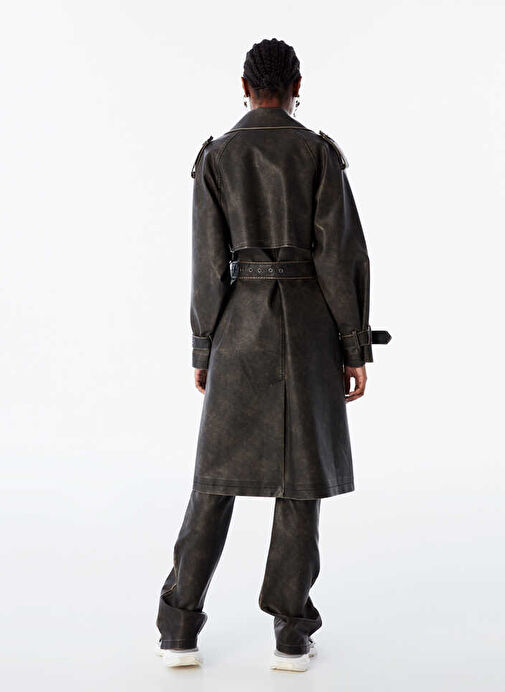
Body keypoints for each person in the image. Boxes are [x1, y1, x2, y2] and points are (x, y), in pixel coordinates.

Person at [156, 37, 391, 672]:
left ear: (243, 86)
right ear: (297, 85)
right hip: (309, 329)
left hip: (238, 329)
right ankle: (291, 634)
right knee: (299, 481)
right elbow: (340, 256)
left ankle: (179, 630)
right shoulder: (318, 153)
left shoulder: (216, 157)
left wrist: (204, 344)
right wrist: (354, 346)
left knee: (214, 481)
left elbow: (208, 263)